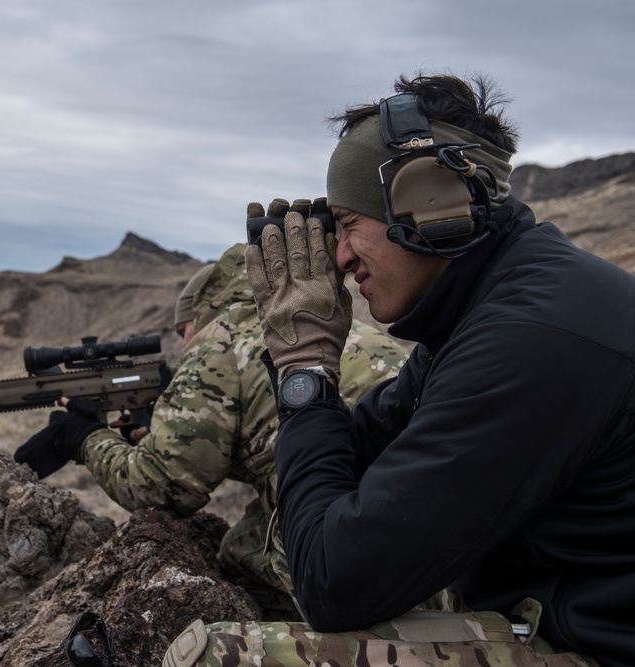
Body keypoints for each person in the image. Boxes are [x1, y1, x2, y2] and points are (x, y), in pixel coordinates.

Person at [164, 73, 633, 666]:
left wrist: (304, 365)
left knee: (218, 658)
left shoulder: (533, 341)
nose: (339, 256)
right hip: (562, 620)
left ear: (433, 205)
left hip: (599, 649)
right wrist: (308, 376)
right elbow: (362, 451)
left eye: (350, 222)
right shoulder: (494, 310)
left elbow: (333, 584)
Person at [15, 242, 409, 618]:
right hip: (418, 501)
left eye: (182, 329)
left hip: (353, 529)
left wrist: (84, 438)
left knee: (238, 560)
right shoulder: (317, 323)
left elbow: (159, 485)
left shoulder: (219, 337)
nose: (184, 341)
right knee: (251, 534)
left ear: (200, 313)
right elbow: (266, 432)